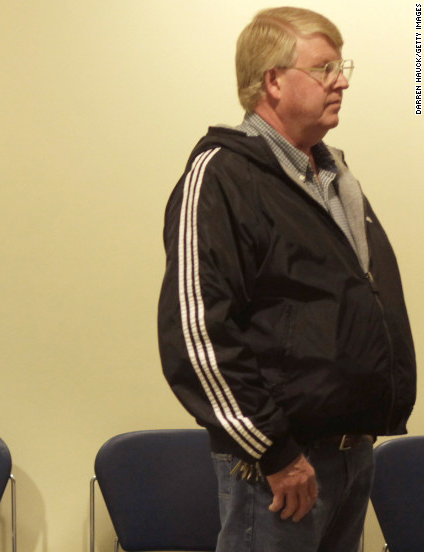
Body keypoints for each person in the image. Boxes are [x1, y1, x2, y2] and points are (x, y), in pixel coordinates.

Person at [158, 7, 416, 552]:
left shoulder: (332, 177)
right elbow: (197, 333)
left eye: (342, 67)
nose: (342, 80)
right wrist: (273, 451)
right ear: (273, 80)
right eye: (325, 68)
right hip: (280, 468)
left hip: (348, 453)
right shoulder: (221, 176)